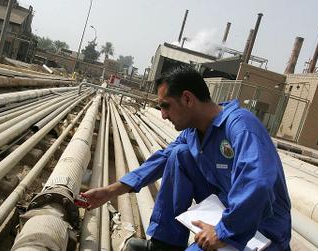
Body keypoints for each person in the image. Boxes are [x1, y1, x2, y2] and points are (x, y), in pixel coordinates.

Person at [82, 66, 291, 251]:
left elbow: (257, 182)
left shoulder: (241, 126)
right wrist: (111, 191)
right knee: (177, 155)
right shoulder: (193, 133)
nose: (163, 114)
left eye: (165, 105)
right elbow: (162, 159)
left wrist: (223, 231)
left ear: (188, 99)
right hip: (226, 211)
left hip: (260, 229)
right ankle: (165, 245)